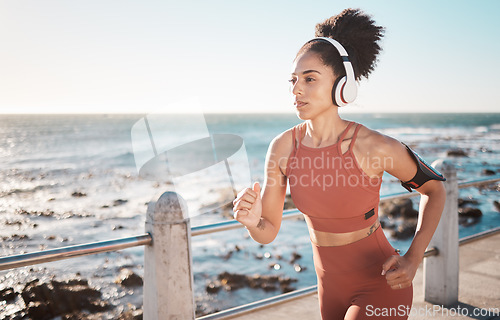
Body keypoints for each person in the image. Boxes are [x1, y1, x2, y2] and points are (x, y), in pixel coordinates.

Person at [232, 8, 446, 320]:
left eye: (309, 79)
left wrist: (414, 258)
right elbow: (269, 230)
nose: (296, 89)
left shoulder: (373, 146)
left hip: (382, 283)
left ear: (342, 86)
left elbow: (434, 189)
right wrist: (252, 222)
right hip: (328, 289)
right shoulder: (281, 148)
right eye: (293, 80)